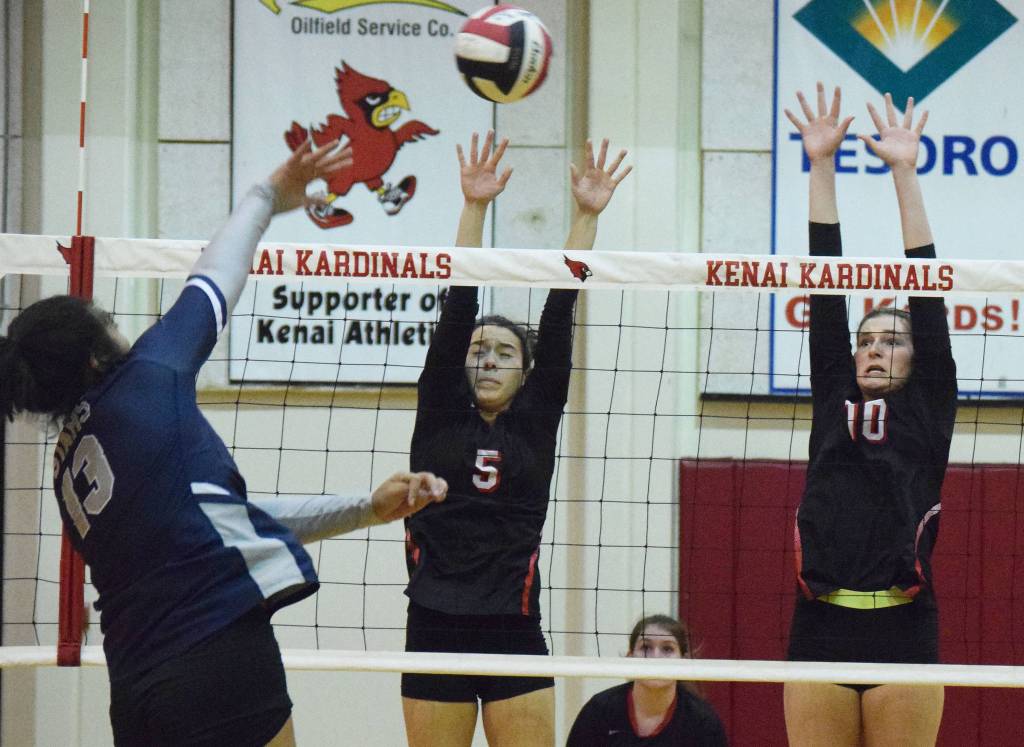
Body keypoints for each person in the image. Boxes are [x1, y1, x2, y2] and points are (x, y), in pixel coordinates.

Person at [0, 139, 449, 747]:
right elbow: (217, 275)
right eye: (108, 319)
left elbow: (223, 529)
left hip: (137, 691)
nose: (122, 326)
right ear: (93, 353)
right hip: (219, 662)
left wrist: (366, 508)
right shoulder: (148, 378)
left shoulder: (68, 471)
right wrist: (267, 196)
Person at [400, 131, 631, 747]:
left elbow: (561, 312)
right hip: (434, 625)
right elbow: (458, 305)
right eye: (480, 350)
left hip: (513, 624)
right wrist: (473, 206)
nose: (491, 360)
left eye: (505, 352)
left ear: (526, 373)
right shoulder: (440, 413)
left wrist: (586, 216)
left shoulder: (536, 419)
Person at [782, 84, 955, 747]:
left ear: (917, 357)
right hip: (820, 620)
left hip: (903, 625)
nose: (875, 348)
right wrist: (821, 165)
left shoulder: (928, 403)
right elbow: (826, 290)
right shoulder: (834, 393)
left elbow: (929, 295)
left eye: (892, 339)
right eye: (867, 339)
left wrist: (904, 174)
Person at [567, 614, 728, 746]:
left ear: (683, 661)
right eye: (646, 647)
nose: (655, 657)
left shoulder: (702, 722)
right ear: (630, 657)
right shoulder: (599, 711)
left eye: (667, 649)